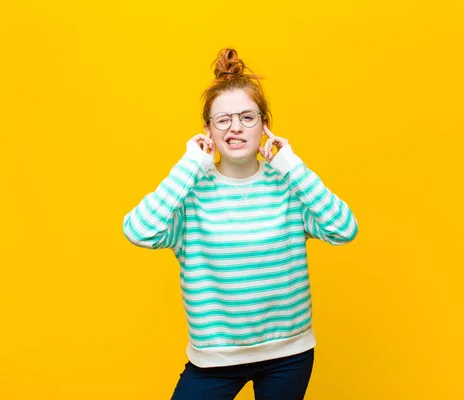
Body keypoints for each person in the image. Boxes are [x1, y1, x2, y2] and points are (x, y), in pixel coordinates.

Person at [122, 48, 358, 400]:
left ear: (265, 125)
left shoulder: (290, 187)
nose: (235, 127)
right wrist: (189, 166)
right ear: (207, 131)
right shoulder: (190, 194)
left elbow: (344, 229)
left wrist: (292, 166)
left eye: (248, 118)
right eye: (223, 120)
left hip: (288, 355)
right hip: (214, 359)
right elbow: (138, 230)